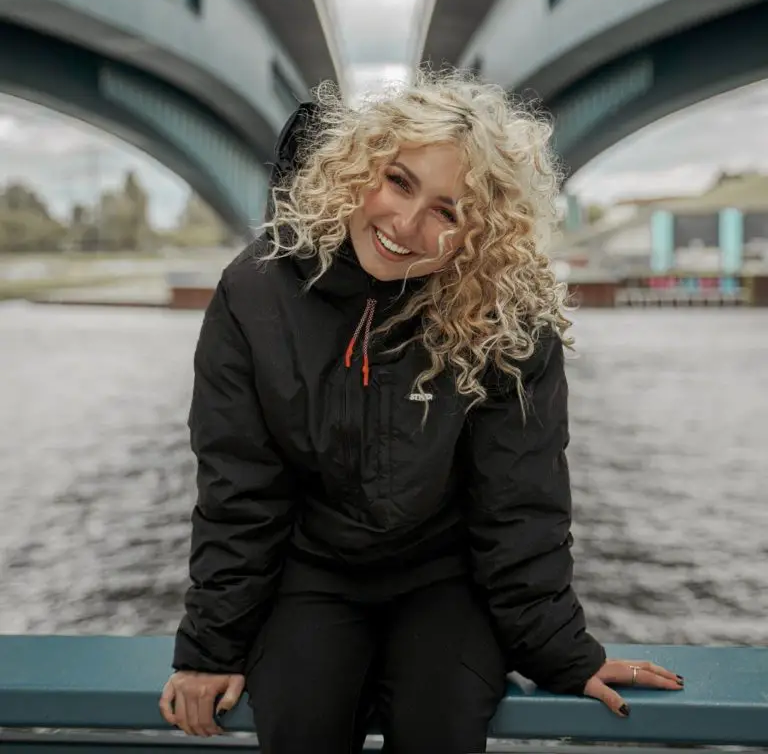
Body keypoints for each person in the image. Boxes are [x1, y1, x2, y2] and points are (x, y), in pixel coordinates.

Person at [159, 71, 683, 753]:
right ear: (360, 167)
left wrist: (561, 650)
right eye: (398, 182)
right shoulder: (257, 289)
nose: (405, 225)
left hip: (446, 580)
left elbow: (519, 503)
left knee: (442, 728)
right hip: (310, 572)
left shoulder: (507, 321)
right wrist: (211, 646)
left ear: (480, 234)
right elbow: (240, 488)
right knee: (300, 726)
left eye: (447, 212)